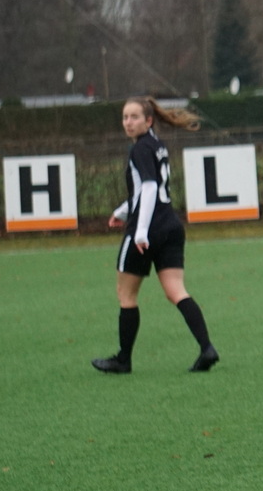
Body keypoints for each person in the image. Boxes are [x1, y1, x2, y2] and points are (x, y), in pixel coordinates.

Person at [93, 96, 219, 374]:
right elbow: (147, 190)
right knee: (176, 291)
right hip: (171, 225)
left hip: (148, 228)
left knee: (126, 295)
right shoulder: (157, 145)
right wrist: (121, 211)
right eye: (125, 117)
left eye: (134, 117)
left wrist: (140, 231)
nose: (128, 122)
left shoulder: (139, 148)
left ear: (148, 120)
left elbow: (149, 188)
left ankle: (123, 360)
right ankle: (207, 348)